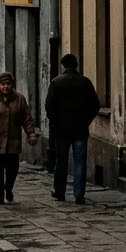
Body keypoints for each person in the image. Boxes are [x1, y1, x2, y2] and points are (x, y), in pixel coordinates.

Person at [45, 53, 101, 205]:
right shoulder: (85, 82)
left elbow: (49, 107)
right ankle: (79, 194)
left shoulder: (56, 82)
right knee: (80, 162)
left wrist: (56, 121)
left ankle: (59, 191)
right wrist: (86, 121)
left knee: (61, 160)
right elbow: (95, 105)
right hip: (80, 129)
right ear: (76, 65)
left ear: (62, 66)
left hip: (61, 130)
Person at [0, 72, 38, 204]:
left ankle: (8, 188)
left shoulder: (19, 99)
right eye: (3, 84)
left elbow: (26, 119)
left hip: (12, 142)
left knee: (12, 170)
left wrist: (31, 134)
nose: (6, 87)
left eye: (8, 84)